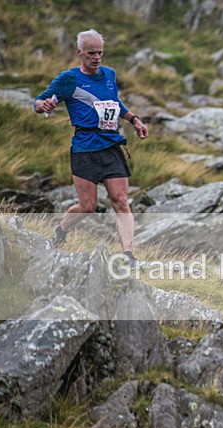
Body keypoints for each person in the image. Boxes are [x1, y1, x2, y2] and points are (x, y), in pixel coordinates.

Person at [34, 28, 148, 265]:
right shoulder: (69, 79)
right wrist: (42, 105)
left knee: (120, 199)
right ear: (80, 52)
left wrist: (134, 120)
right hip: (84, 148)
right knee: (88, 206)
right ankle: (61, 230)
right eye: (91, 53)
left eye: (100, 53)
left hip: (110, 145)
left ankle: (128, 254)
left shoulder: (109, 75)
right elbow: (39, 100)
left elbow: (115, 103)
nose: (96, 57)